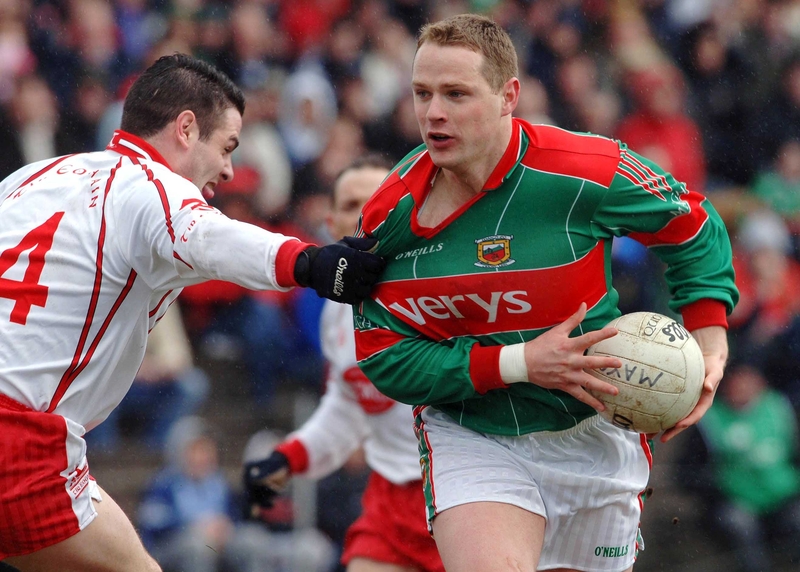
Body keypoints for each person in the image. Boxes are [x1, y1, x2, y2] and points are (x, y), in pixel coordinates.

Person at [352, 14, 738, 572]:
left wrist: (711, 343)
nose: (433, 112)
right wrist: (519, 362)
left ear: (509, 95)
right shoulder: (390, 213)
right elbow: (384, 356)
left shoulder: (587, 169)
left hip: (597, 431)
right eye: (422, 93)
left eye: (456, 94)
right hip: (474, 432)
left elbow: (692, 226)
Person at [0, 53, 384, 571]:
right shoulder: (149, 187)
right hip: (18, 442)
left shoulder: (35, 176)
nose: (228, 168)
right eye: (226, 146)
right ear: (185, 129)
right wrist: (312, 262)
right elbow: (206, 236)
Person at [243, 155, 446, 572]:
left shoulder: (446, 291)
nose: (368, 215)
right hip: (391, 499)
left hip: (467, 495)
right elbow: (350, 403)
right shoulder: (336, 314)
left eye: (381, 202)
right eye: (353, 205)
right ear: (332, 223)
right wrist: (289, 458)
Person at [138, 417, 336, 572]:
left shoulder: (218, 483)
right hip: (176, 547)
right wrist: (194, 528)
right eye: (195, 451)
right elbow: (153, 525)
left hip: (218, 544)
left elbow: (235, 517)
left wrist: (226, 528)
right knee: (197, 547)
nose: (202, 457)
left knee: (252, 541)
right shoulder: (163, 484)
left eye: (206, 451)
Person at [677, 357, 800, 572]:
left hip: (783, 498)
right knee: (740, 524)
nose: (742, 387)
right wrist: (721, 489)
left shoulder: (780, 408)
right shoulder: (709, 420)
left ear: (761, 383)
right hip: (734, 502)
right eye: (737, 381)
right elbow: (686, 474)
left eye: (749, 380)